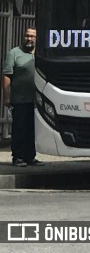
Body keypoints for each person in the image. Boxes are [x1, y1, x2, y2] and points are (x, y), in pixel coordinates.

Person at [2, 27, 43, 166]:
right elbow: (7, 76)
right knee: (20, 128)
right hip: (19, 99)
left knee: (32, 130)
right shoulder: (14, 53)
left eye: (32, 36)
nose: (29, 39)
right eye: (27, 36)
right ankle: (17, 157)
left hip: (36, 100)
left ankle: (30, 156)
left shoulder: (40, 54)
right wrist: (7, 98)